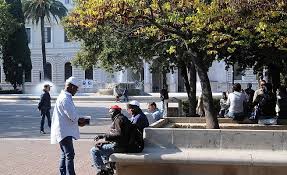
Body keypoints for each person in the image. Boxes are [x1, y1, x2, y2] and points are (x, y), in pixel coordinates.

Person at [50, 77, 86, 175]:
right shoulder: (65, 98)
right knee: (69, 154)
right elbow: (72, 116)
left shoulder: (65, 96)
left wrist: (78, 119)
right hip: (64, 131)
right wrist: (80, 120)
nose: (76, 90)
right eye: (75, 88)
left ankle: (63, 173)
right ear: (70, 86)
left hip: (64, 130)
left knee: (65, 154)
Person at [90, 105, 132, 175]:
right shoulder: (122, 118)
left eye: (111, 112)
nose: (110, 114)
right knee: (102, 148)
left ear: (114, 112)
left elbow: (119, 135)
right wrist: (104, 142)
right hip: (122, 144)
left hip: (120, 147)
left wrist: (103, 136)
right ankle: (108, 167)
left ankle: (104, 170)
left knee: (94, 150)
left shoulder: (118, 119)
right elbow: (117, 136)